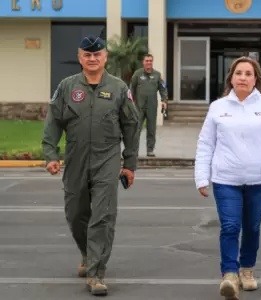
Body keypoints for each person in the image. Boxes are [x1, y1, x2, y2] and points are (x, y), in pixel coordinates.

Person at [41, 35, 140, 296]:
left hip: (107, 158)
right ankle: (88, 253)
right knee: (75, 213)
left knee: (104, 215)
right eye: (87, 54)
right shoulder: (66, 87)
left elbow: (131, 125)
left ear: (105, 57)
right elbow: (53, 122)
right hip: (75, 158)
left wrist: (129, 164)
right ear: (80, 57)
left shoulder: (118, 88)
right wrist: (51, 154)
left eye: (97, 54)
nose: (93, 58)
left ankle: (96, 273)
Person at [194, 56, 261, 300]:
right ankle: (229, 274)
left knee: (252, 227)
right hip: (226, 179)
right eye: (239, 73)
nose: (243, 78)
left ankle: (246, 269)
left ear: (256, 79)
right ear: (231, 77)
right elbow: (206, 143)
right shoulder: (218, 107)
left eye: (248, 74)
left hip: (259, 180)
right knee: (230, 226)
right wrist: (201, 176)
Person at [130, 54, 169, 157]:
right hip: (139, 106)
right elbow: (132, 88)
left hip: (152, 106)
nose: (149, 63)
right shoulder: (137, 74)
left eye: (150, 61)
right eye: (147, 61)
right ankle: (134, 150)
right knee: (136, 129)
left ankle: (150, 150)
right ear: (143, 62)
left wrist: (164, 100)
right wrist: (130, 102)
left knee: (151, 129)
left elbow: (163, 88)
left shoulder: (157, 75)